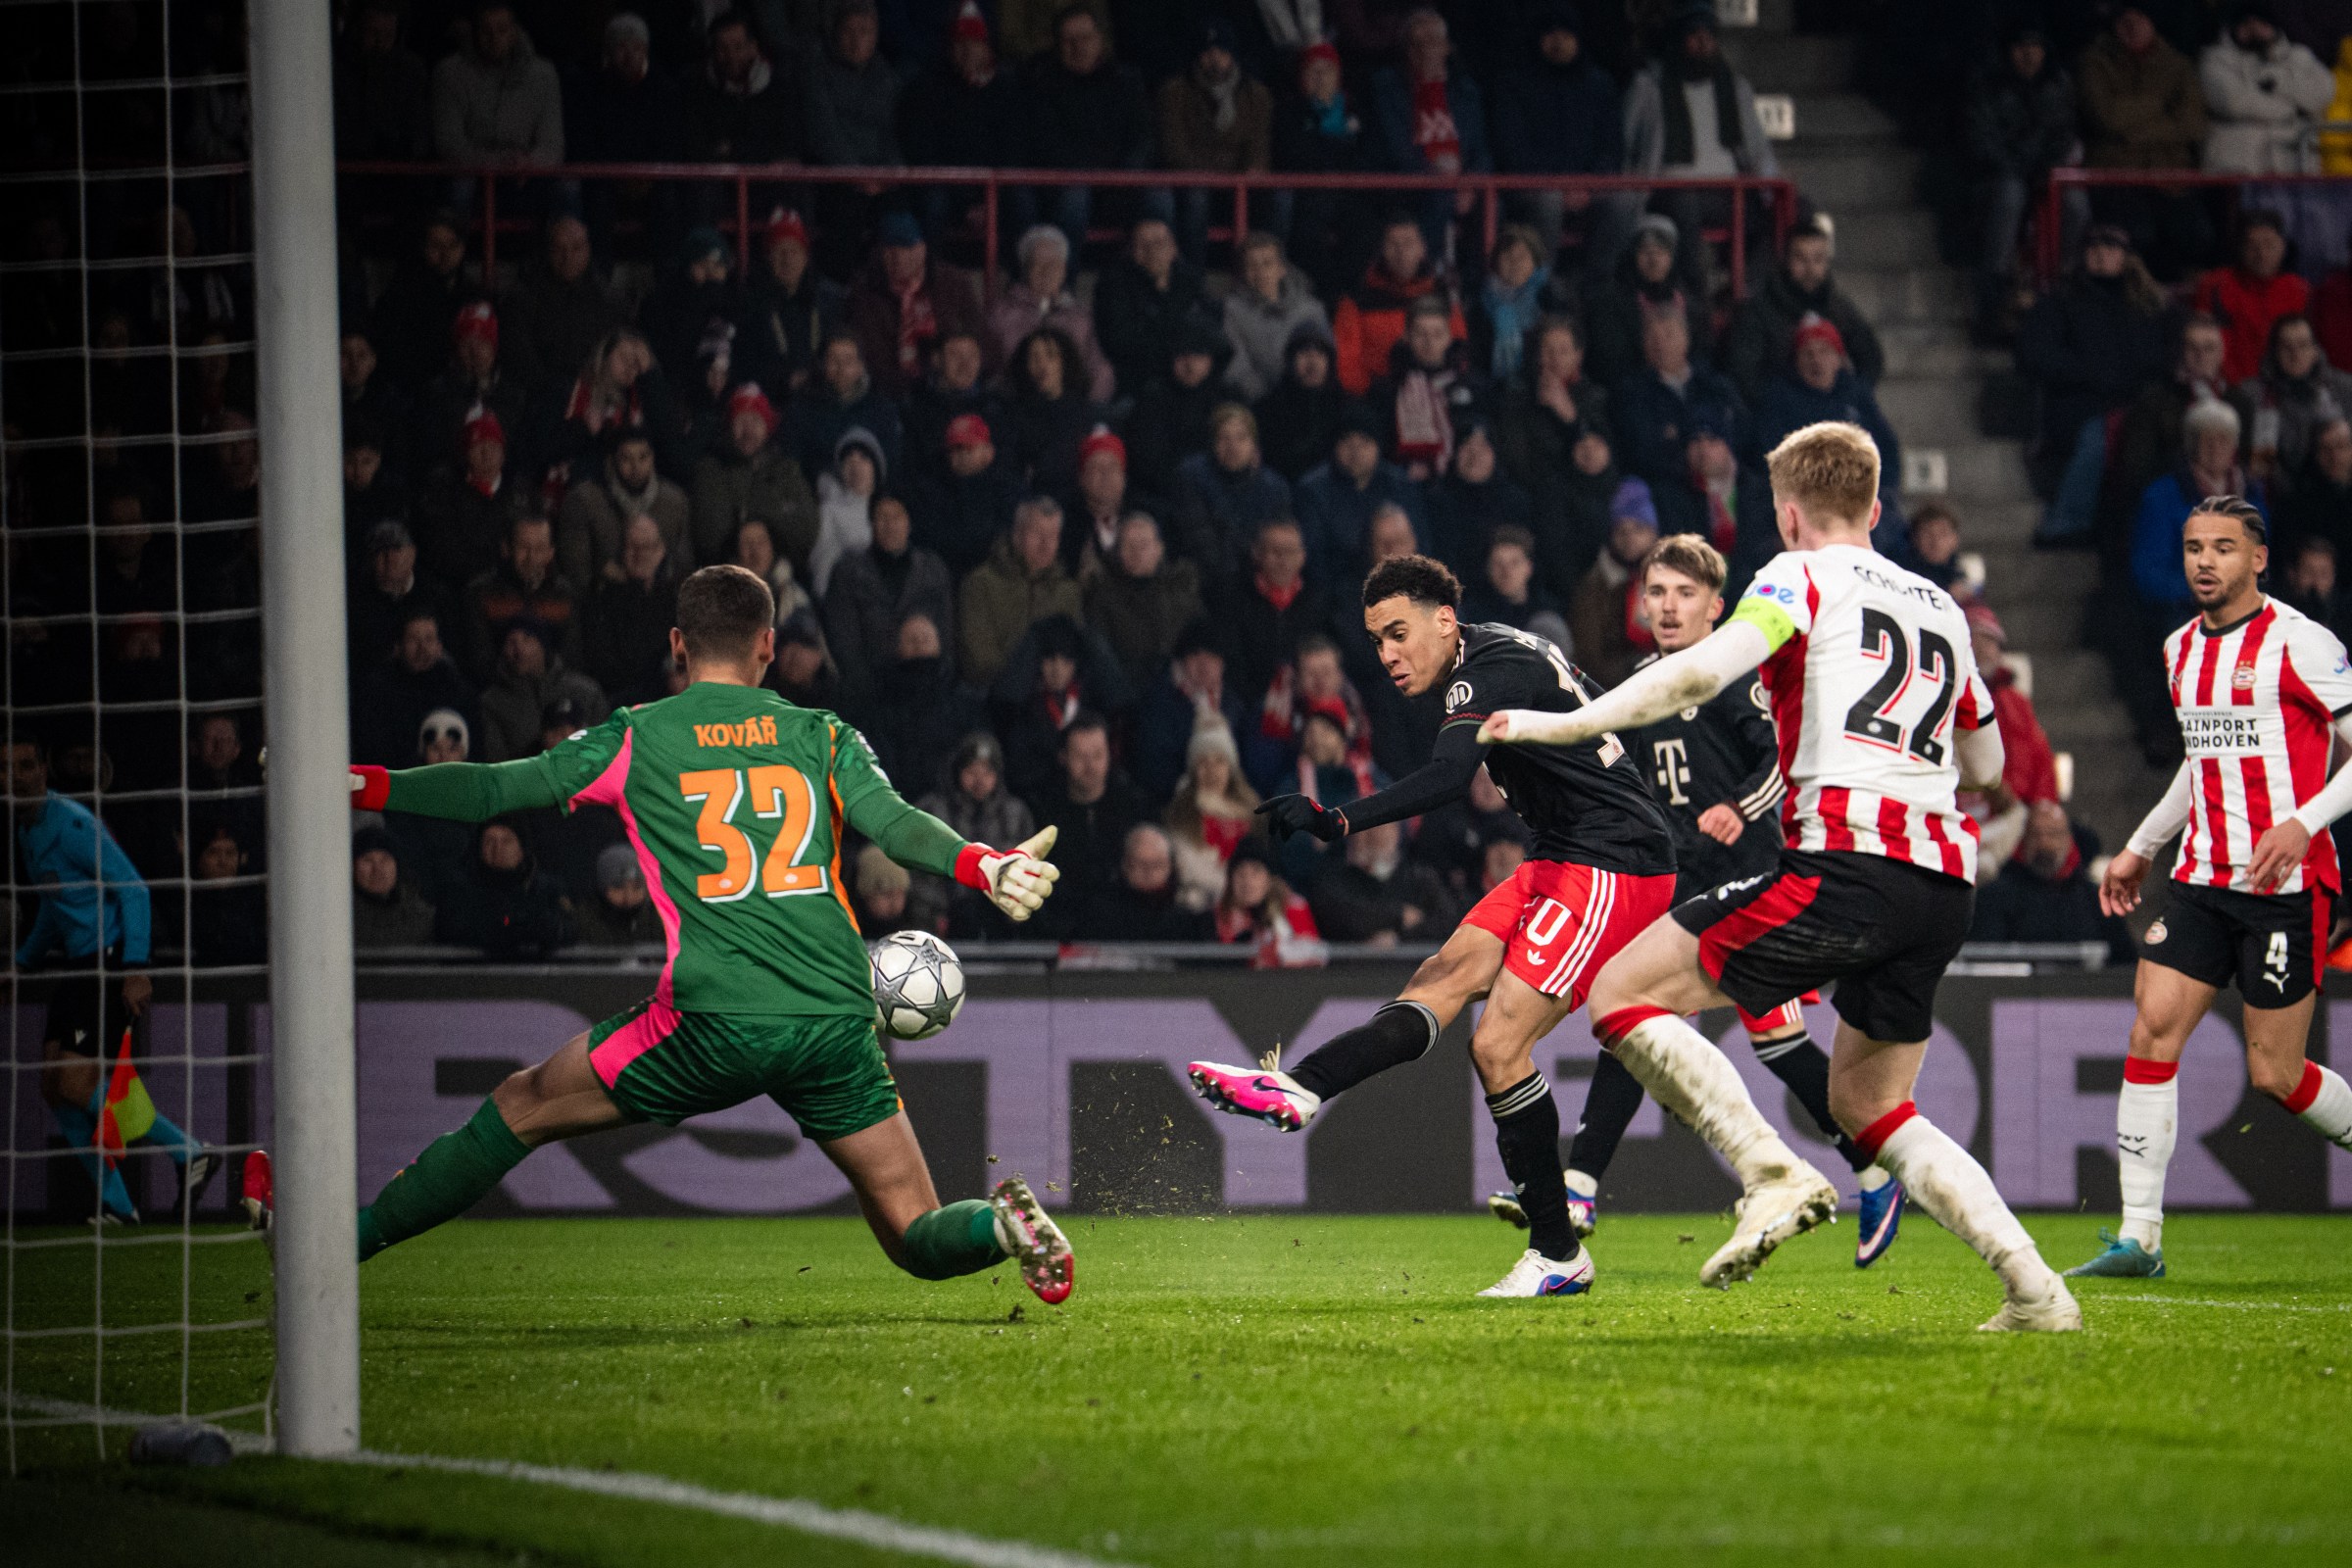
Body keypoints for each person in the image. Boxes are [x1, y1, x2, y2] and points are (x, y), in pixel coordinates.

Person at [311, 565, 1073, 1301]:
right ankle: (1001, 1224)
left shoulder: (636, 737)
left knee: (523, 1103)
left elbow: (494, 789)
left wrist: (360, 783)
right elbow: (897, 824)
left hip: (712, 1019)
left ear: (678, 643)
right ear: (769, 645)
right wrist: (982, 865)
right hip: (835, 1018)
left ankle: (338, 1244)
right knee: (914, 1232)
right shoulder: (822, 734)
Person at [1485, 420, 2078, 1330]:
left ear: (1788, 514)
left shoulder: (1796, 577)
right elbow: (1992, 765)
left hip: (1844, 862)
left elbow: (1696, 675)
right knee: (1870, 1105)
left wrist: (1550, 725)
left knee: (1619, 994)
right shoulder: (1944, 607)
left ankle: (1772, 1174)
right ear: (1877, 508)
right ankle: (2036, 1289)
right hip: (1942, 886)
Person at [1189, 553, 1677, 1298]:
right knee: (1439, 980)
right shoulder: (1504, 652)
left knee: (1498, 1042)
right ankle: (1299, 1088)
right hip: (1564, 856)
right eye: (1377, 641)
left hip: (1615, 864)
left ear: (1443, 621)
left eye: (1397, 634)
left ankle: (1557, 1252)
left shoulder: (1484, 669)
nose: (1386, 655)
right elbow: (1613, 710)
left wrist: (1336, 817)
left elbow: (1451, 779)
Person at [1499, 533, 1897, 1259]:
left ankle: (1874, 1166)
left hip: (1750, 889)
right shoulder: (1641, 686)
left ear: (1717, 609)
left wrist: (1742, 806)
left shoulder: (1733, 679)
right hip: (1681, 894)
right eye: (1657, 593)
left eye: (1686, 594)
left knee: (1771, 1042)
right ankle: (1581, 1188)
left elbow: (1782, 759)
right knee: (1630, 1017)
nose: (1669, 607)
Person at [2072, 496, 2352, 1280]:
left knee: (2276, 1075)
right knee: (2149, 1034)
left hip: (2286, 887)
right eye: (2194, 547)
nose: (2204, 561)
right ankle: (2140, 1238)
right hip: (2200, 879)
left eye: (2223, 548)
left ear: (2258, 558)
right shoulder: (2178, 650)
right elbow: (2204, 761)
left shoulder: (2303, 643)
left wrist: (2304, 820)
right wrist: (2139, 848)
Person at [11, 734, 216, 1226]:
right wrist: (21, 964)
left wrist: (135, 967)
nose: (15, 775)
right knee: (54, 1090)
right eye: (5, 767)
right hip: (77, 965)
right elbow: (52, 906)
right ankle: (120, 1207)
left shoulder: (75, 825)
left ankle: (188, 1151)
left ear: (43, 770)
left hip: (107, 962)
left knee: (77, 1086)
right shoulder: (27, 830)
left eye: (24, 764)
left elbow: (134, 888)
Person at [1620, 2, 1779, 290]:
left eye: (1709, 34)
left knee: (1789, 213)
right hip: (1669, 189)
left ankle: (1744, 292)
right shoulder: (1650, 86)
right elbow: (1626, 142)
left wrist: (1770, 192)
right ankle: (1695, 293)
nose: (1704, 41)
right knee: (1685, 204)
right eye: (1695, 34)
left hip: (1726, 191)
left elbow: (1756, 147)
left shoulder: (1734, 86)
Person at [1965, 24, 2089, 333]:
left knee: (2075, 202)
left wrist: (2044, 166)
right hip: (1999, 173)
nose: (2029, 54)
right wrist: (2017, 165)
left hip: (2043, 170)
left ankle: (2062, 284)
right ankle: (1997, 290)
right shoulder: (1987, 85)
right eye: (2021, 46)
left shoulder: (2059, 84)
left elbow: (2064, 134)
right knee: (2009, 196)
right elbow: (1980, 138)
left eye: (2036, 46)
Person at [2079, 4, 2212, 279]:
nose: (2132, 25)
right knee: (2138, 234)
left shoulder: (2178, 64)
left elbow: (2192, 125)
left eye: (2140, 17)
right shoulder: (2094, 61)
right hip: (2116, 176)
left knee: (2196, 235)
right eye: (2124, 19)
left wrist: (2131, 129)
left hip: (2169, 177)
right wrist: (2161, 105)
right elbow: (2107, 118)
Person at [1016, 5, 1160, 255]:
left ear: (1099, 40)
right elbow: (1048, 145)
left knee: (1160, 197)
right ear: (1057, 46)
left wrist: (1123, 173)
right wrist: (1089, 172)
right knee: (1075, 195)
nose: (1078, 47)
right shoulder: (1042, 85)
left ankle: (1164, 285)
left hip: (1119, 183)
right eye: (1069, 40)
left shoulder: (1126, 81)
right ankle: (1064, 287)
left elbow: (1141, 137)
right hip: (1065, 184)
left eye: (1085, 38)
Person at [1488, 4, 1621, 260]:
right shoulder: (1513, 85)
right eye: (1550, 34)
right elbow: (1512, 149)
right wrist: (1558, 186)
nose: (1559, 42)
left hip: (1587, 187)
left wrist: (1589, 185)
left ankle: (1598, 285)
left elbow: (1611, 147)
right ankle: (1541, 284)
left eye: (1566, 34)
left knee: (1622, 201)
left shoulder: (1599, 85)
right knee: (1548, 201)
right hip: (1532, 187)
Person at [1723, 220, 1884, 404]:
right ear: (1785, 260)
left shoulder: (1838, 308)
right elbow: (1743, 374)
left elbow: (1870, 357)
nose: (1810, 269)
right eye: (1801, 259)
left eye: (1818, 259)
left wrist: (1849, 395)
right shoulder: (1758, 311)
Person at [1156, 19, 1275, 261]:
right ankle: (1193, 275)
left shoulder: (1256, 94)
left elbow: (1258, 145)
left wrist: (1250, 170)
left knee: (1278, 197)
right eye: (1208, 52)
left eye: (1222, 51)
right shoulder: (1175, 92)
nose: (1215, 58)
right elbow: (1175, 151)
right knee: (1196, 196)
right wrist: (1220, 171)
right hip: (1194, 181)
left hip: (1240, 182)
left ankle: (1267, 271)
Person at [1970, 800, 2134, 966]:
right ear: (2023, 839)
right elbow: (1983, 960)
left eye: (2053, 834)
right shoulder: (1993, 897)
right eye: (2036, 834)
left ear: (2069, 840)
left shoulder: (2096, 900)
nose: (2044, 843)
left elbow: (2125, 963)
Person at [845, 213, 987, 401]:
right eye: (891, 250)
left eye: (908, 248)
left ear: (923, 249)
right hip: (884, 395)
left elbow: (984, 342)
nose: (900, 258)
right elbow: (868, 356)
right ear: (880, 253)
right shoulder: (864, 293)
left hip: (947, 392)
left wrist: (956, 366)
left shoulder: (953, 284)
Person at [1331, 212, 1463, 398]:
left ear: (1422, 248)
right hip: (1375, 400)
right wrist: (1376, 395)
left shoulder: (1444, 295)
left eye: (1408, 243)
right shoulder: (1356, 300)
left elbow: (1458, 352)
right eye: (1393, 244)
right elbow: (1346, 363)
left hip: (1439, 395)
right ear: (1382, 249)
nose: (1401, 252)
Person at [690, 381, 817, 571]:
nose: (748, 431)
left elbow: (805, 531)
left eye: (756, 421)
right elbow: (710, 536)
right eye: (741, 421)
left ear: (768, 427)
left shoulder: (786, 470)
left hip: (780, 571)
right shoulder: (711, 469)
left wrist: (750, 514)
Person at [2198, 4, 2331, 175]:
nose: (2254, 30)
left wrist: (2278, 84)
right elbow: (2234, 103)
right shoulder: (2215, 59)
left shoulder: (2300, 56)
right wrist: (2293, 110)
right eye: (2246, 24)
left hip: (2292, 165)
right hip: (2238, 165)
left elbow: (2322, 94)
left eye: (2261, 24)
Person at [429, 1, 564, 171]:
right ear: (475, 33)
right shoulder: (449, 73)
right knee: (461, 187)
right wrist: (498, 163)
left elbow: (552, 144)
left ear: (514, 32)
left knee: (567, 188)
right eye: (486, 31)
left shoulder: (543, 74)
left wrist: (528, 163)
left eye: (502, 30)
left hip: (527, 173)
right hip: (473, 171)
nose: (494, 38)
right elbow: (450, 143)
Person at [985, 226, 1114, 400]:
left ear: (1063, 271)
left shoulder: (1081, 317)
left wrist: (1086, 411)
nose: (1046, 270)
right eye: (1038, 263)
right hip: (1016, 408)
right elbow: (989, 369)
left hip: (1071, 409)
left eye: (1054, 264)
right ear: (1026, 269)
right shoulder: (1001, 313)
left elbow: (1100, 371)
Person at [2230, 314, 2352, 496]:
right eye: (2287, 347)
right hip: (2285, 499)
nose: (2296, 354)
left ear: (2315, 349)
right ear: (2274, 352)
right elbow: (2262, 467)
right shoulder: (2256, 397)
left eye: (2303, 345)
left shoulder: (2343, 388)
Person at [559, 427, 692, 591]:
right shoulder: (585, 500)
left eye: (643, 457)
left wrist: (662, 569)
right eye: (626, 458)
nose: (636, 467)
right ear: (613, 460)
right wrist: (606, 572)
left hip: (659, 599)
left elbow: (684, 563)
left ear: (653, 457)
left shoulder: (674, 501)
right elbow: (575, 566)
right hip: (601, 599)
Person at [1094, 217, 1213, 401]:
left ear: (1173, 248)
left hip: (1193, 379)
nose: (1152, 250)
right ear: (1131, 251)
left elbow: (1209, 333)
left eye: (1159, 242)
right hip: (1139, 384)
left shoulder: (1192, 283)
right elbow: (1119, 342)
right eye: (1143, 244)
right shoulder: (1113, 286)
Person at [2194, 211, 2310, 385]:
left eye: (2269, 245)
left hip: (2286, 389)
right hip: (2230, 390)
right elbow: (2203, 345)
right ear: (2239, 248)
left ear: (2283, 246)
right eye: (2252, 246)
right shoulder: (2216, 285)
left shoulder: (2299, 289)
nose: (2262, 255)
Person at [1223, 232, 1330, 404]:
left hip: (1309, 397)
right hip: (1259, 401)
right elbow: (1237, 366)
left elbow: (1325, 358)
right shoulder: (1232, 310)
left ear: (1281, 269)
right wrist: (1269, 400)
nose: (1260, 272)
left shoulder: (1311, 310)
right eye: (1251, 265)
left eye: (1267, 264)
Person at [1165, 721, 1260, 911]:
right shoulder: (1180, 813)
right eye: (1203, 762)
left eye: (1219, 761)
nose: (1212, 771)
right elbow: (1185, 867)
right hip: (1199, 907)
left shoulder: (1252, 812)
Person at [1084, 824, 1215, 941]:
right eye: (1140, 863)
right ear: (1125, 865)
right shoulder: (1102, 914)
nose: (1149, 871)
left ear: (1171, 866)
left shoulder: (1188, 916)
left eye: (1157, 864)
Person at [352, 824, 438, 950]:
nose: (377, 869)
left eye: (384, 860)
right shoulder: (343, 917)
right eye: (367, 860)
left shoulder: (421, 915)